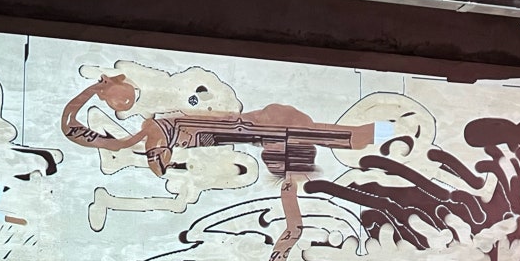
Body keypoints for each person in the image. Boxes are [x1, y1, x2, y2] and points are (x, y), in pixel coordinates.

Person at [61, 73, 393, 178]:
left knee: (324, 134)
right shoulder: (148, 132)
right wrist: (92, 91)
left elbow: (71, 126)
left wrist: (94, 89)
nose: (116, 105)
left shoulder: (154, 125)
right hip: (245, 131)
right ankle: (386, 133)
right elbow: (71, 127)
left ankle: (389, 131)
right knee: (322, 135)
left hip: (245, 125)